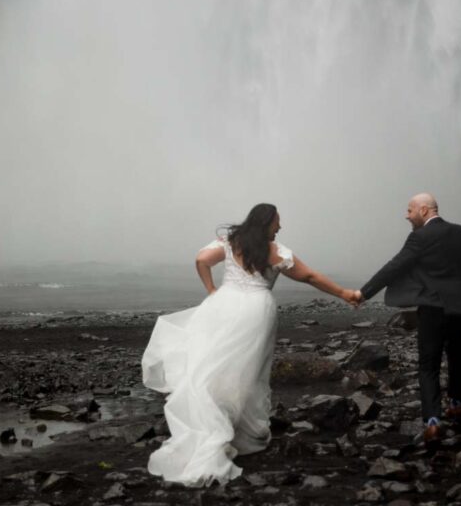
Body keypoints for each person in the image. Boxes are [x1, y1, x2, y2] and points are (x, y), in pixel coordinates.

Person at [142, 203, 358, 487]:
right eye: (277, 223)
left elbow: (201, 260)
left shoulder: (231, 243)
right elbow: (309, 276)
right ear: (267, 223)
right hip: (256, 310)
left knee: (213, 364)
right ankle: (238, 432)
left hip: (224, 305)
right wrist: (344, 293)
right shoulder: (274, 251)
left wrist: (212, 291)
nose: (280, 227)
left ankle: (212, 422)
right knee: (248, 372)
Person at [357, 193, 461, 444]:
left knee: (428, 363)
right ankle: (457, 405)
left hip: (433, 308)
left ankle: (432, 421)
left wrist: (363, 293)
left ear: (425, 210)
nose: (406, 215)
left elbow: (394, 266)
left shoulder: (419, 237)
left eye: (410, 210)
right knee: (457, 353)